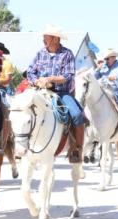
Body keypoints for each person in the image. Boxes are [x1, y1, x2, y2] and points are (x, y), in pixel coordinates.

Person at [26, 25, 86, 163]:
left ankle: (77, 148)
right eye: (44, 37)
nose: (43, 40)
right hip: (41, 90)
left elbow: (68, 75)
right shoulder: (40, 53)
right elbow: (30, 71)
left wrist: (51, 79)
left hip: (61, 92)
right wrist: (37, 81)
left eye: (46, 37)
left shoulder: (67, 54)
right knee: (23, 109)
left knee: (76, 115)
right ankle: (22, 143)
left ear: (55, 39)